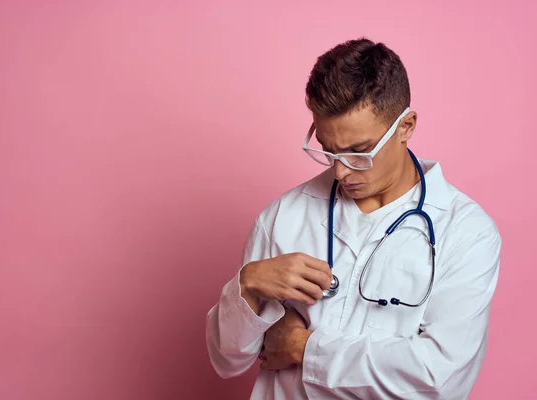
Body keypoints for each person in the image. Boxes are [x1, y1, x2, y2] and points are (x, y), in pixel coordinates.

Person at [205, 38, 501, 399]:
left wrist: (304, 348)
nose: (342, 171)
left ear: (406, 126)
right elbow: (227, 361)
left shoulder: (466, 232)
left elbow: (439, 379)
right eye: (330, 151)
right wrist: (248, 286)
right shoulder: (284, 215)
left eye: (359, 152)